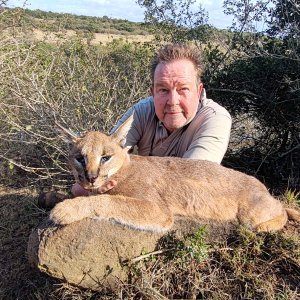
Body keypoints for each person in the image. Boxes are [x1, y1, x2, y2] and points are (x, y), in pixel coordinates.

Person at [71, 43, 232, 197]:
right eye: (163, 90)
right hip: (146, 191)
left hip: (174, 200)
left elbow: (190, 183)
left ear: (198, 91)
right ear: (152, 92)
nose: (173, 101)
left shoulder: (215, 118)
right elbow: (109, 157)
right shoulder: (141, 111)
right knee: (79, 190)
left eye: (183, 89)